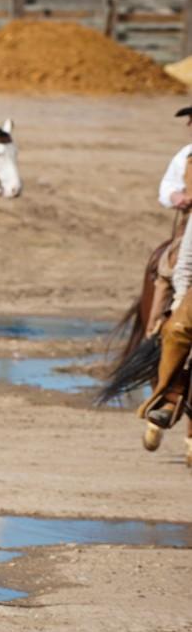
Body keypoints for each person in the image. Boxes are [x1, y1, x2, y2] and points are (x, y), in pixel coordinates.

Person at [141, 105, 192, 429]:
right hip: (189, 224)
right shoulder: (187, 155)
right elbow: (166, 188)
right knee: (166, 272)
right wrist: (176, 196)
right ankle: (168, 397)